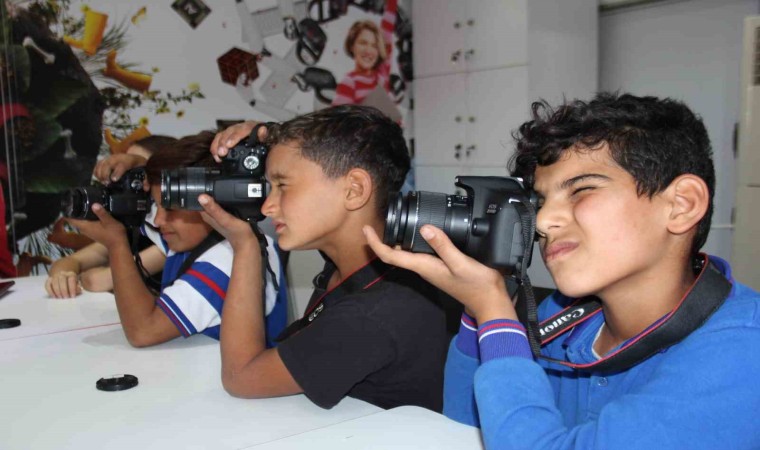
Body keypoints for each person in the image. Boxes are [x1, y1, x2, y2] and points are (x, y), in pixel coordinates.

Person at [363, 93, 760, 449]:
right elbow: (464, 427)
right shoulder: (567, 317)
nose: (542, 221)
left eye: (581, 190)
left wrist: (494, 311)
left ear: (681, 205)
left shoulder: (742, 355)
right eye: (540, 201)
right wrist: (480, 306)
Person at [203, 105, 451, 411]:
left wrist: (245, 247)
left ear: (354, 190)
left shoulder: (374, 312)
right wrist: (267, 137)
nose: (267, 206)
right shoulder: (363, 262)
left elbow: (240, 376)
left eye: (282, 186)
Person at [66, 131, 287, 347]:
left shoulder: (228, 260)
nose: (158, 219)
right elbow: (142, 211)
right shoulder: (193, 234)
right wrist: (140, 168)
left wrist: (117, 244)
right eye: (156, 205)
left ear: (212, 200)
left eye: (170, 207)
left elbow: (143, 332)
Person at [46, 135, 177, 298]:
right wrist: (63, 277)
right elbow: (70, 262)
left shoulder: (173, 242)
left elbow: (100, 280)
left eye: (136, 173)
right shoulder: (133, 225)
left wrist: (87, 277)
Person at [332, 0, 397, 106]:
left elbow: (387, 28)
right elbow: (339, 116)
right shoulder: (349, 83)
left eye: (374, 46)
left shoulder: (382, 73)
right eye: (363, 43)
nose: (368, 51)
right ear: (352, 46)